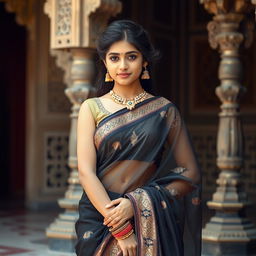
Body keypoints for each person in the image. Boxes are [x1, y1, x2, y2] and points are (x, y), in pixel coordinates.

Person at [75, 20, 201, 256]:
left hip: (150, 216)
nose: (122, 65)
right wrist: (121, 228)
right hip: (99, 217)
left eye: (131, 57)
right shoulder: (91, 108)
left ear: (145, 61)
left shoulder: (165, 111)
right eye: (114, 58)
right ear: (104, 62)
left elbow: (190, 173)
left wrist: (136, 205)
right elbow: (85, 172)